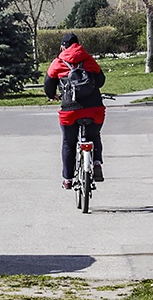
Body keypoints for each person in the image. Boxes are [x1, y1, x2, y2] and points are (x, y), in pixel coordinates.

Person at [44, 32, 106, 189]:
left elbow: (48, 84)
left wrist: (53, 96)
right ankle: (97, 162)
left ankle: (68, 179)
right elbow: (101, 81)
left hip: (69, 110)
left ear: (63, 47)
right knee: (94, 135)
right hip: (94, 108)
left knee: (68, 143)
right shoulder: (88, 59)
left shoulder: (58, 62)